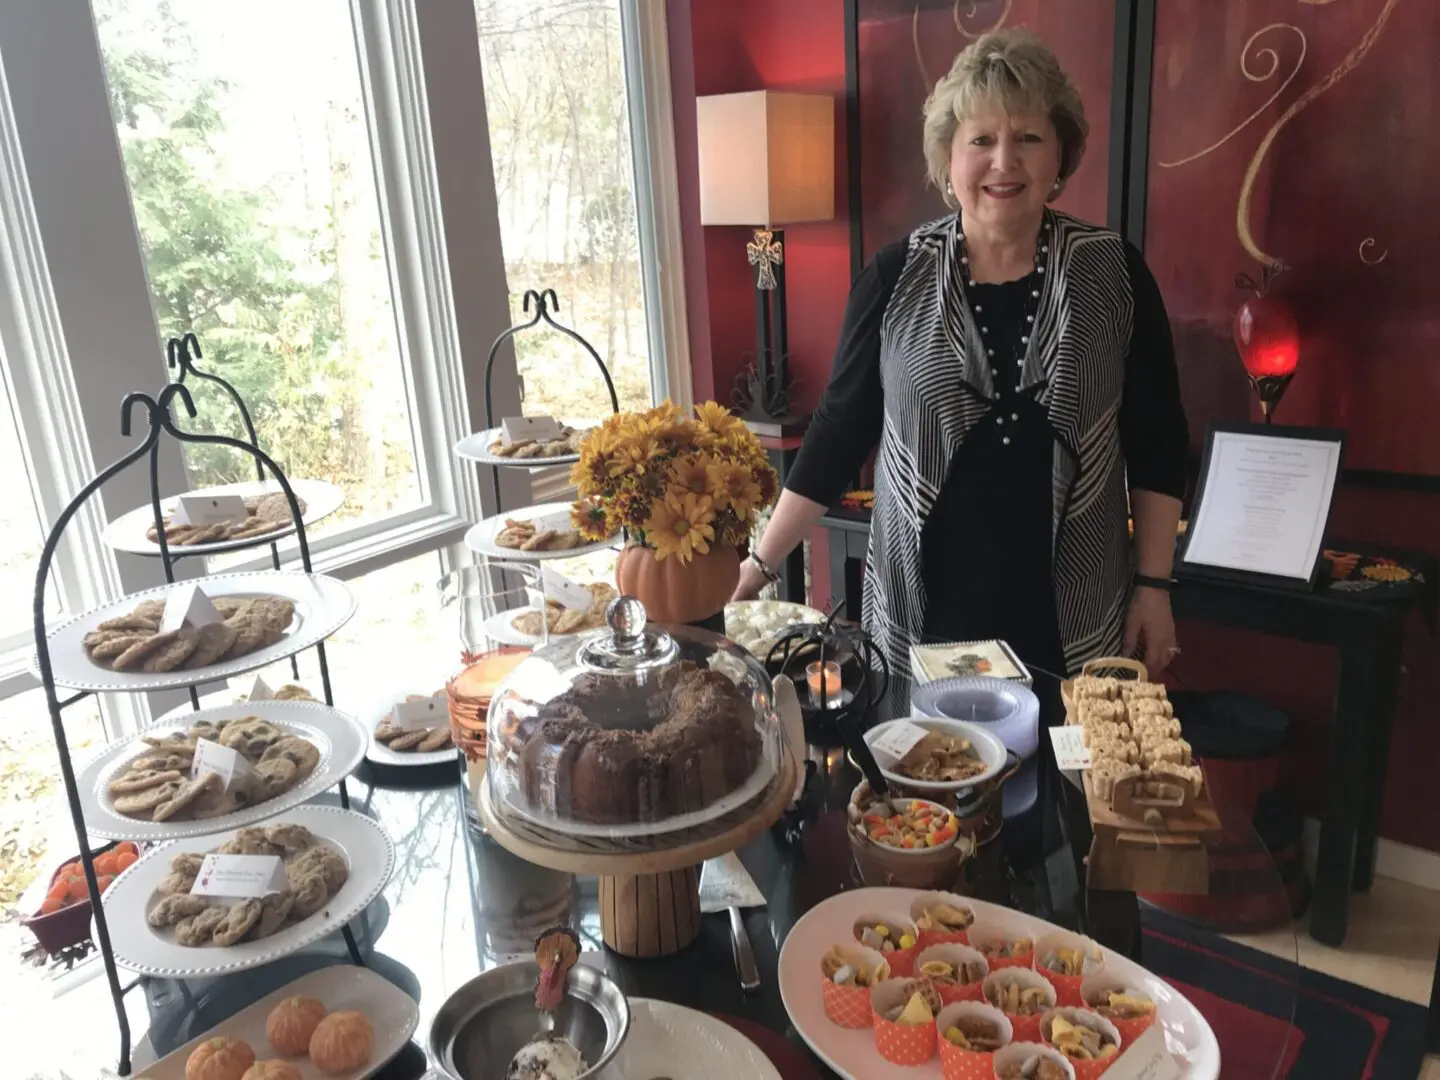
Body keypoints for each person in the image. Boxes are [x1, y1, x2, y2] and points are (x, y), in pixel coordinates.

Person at [733, 29, 1188, 715]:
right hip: (926, 616)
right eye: (982, 139)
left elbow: (1157, 439)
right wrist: (759, 567)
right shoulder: (894, 276)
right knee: (927, 804)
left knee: (1067, 804)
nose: (1004, 161)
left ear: (1060, 153)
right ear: (949, 157)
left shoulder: (1114, 274)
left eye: (1029, 138)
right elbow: (838, 432)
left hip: (1076, 615)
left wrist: (1155, 584)